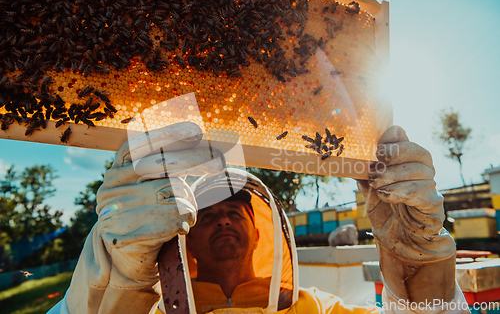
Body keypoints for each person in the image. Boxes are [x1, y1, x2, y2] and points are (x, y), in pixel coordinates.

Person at [48, 122, 470, 314]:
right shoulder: (149, 312)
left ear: (264, 229)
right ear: (183, 237)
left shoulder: (318, 311)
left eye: (236, 211)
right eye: (208, 215)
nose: (225, 220)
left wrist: (418, 266)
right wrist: (114, 285)